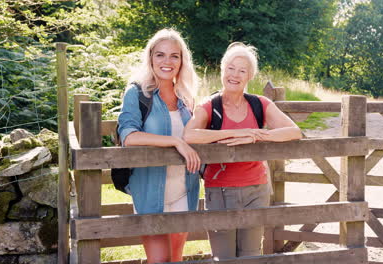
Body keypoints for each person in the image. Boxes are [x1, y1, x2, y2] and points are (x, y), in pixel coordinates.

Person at [183, 42, 302, 259]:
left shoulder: (260, 104)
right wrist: (231, 135)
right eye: (230, 68)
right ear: (222, 71)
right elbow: (189, 135)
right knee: (224, 258)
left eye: (242, 70)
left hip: (256, 190)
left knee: (251, 257)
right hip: (219, 191)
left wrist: (256, 135)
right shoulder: (210, 105)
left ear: (249, 76)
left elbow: (294, 132)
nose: (235, 75)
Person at [117, 28, 201, 263]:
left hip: (184, 190)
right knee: (158, 261)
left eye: (175, 55)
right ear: (150, 57)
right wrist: (175, 142)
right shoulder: (137, 93)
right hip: (149, 190)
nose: (167, 61)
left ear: (182, 60)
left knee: (176, 259)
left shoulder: (187, 97)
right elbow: (129, 136)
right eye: (160, 55)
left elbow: (198, 135)